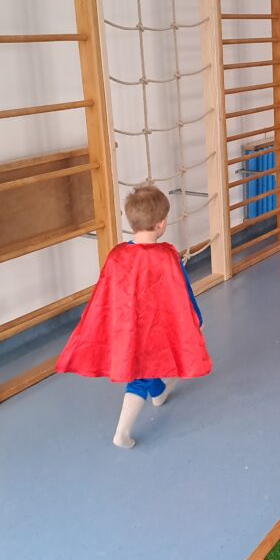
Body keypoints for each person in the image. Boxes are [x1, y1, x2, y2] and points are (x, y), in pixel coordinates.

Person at [55, 185, 211, 448]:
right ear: (161, 224)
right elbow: (183, 291)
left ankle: (158, 393)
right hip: (154, 328)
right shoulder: (166, 256)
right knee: (139, 377)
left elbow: (106, 295)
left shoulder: (117, 255)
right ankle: (122, 433)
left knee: (145, 367)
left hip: (126, 327)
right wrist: (197, 319)